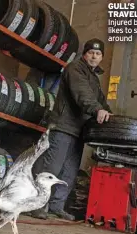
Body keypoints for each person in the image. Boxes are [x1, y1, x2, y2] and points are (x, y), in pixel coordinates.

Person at [31, 38, 112, 221]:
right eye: (91, 52)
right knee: (52, 168)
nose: (94, 56)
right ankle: (38, 206)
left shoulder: (94, 78)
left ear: (101, 57)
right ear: (85, 54)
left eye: (98, 54)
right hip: (63, 126)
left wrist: (111, 116)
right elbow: (82, 93)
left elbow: (100, 101)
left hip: (78, 131)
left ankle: (57, 206)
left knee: (69, 172)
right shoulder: (75, 68)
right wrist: (96, 109)